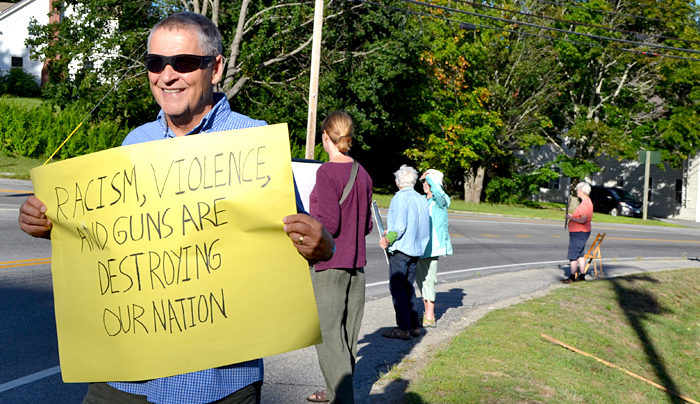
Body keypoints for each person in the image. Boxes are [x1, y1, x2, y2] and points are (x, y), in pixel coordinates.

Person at [17, 12, 334, 404]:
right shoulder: (135, 141)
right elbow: (109, 242)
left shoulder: (253, 143)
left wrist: (323, 246)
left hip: (217, 383)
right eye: (155, 63)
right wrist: (50, 224)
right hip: (123, 378)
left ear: (215, 68)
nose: (167, 75)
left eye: (183, 63)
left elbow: (295, 241)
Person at [305, 112, 373, 404]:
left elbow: (329, 225)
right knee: (346, 338)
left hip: (329, 266)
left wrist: (307, 219)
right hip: (356, 266)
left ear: (325, 138)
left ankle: (343, 400)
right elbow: (368, 225)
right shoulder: (363, 173)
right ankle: (335, 393)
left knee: (330, 337)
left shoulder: (326, 172)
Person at [378, 165, 430, 340]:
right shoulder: (421, 199)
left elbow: (400, 226)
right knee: (409, 287)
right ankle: (414, 325)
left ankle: (403, 328)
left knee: (398, 289)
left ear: (398, 181)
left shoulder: (400, 198)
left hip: (401, 249)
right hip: (416, 249)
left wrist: (387, 238)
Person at [417, 169, 452, 328]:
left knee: (429, 279)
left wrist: (430, 177)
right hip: (419, 247)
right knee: (420, 280)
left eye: (428, 182)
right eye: (424, 182)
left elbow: (439, 193)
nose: (425, 184)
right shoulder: (423, 200)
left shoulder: (441, 200)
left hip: (433, 248)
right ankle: (426, 312)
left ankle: (430, 315)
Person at [562, 182, 593, 283]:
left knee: (573, 255)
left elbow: (583, 220)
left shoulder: (585, 203)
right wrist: (573, 216)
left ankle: (572, 277)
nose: (577, 192)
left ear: (582, 191)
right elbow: (580, 217)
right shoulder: (587, 202)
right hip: (582, 232)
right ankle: (582, 276)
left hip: (579, 232)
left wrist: (570, 218)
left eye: (578, 190)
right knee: (580, 255)